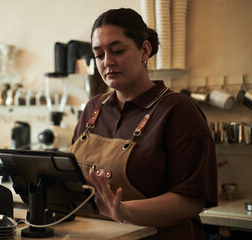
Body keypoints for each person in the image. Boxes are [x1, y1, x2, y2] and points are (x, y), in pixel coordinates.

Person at [69, 8, 218, 240]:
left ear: (144, 50)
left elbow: (191, 201)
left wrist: (123, 211)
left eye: (117, 50)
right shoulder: (93, 109)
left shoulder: (178, 111)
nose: (107, 62)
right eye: (99, 55)